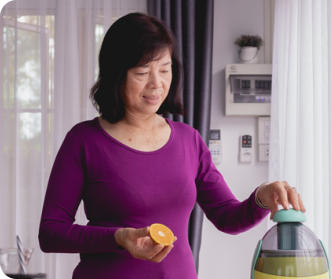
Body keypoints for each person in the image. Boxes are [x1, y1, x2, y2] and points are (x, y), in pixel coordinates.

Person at [38, 12, 305, 279]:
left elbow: (228, 217)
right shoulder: (84, 140)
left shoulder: (189, 140)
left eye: (164, 69)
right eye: (142, 72)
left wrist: (261, 197)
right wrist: (119, 237)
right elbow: (51, 233)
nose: (157, 84)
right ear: (116, 75)